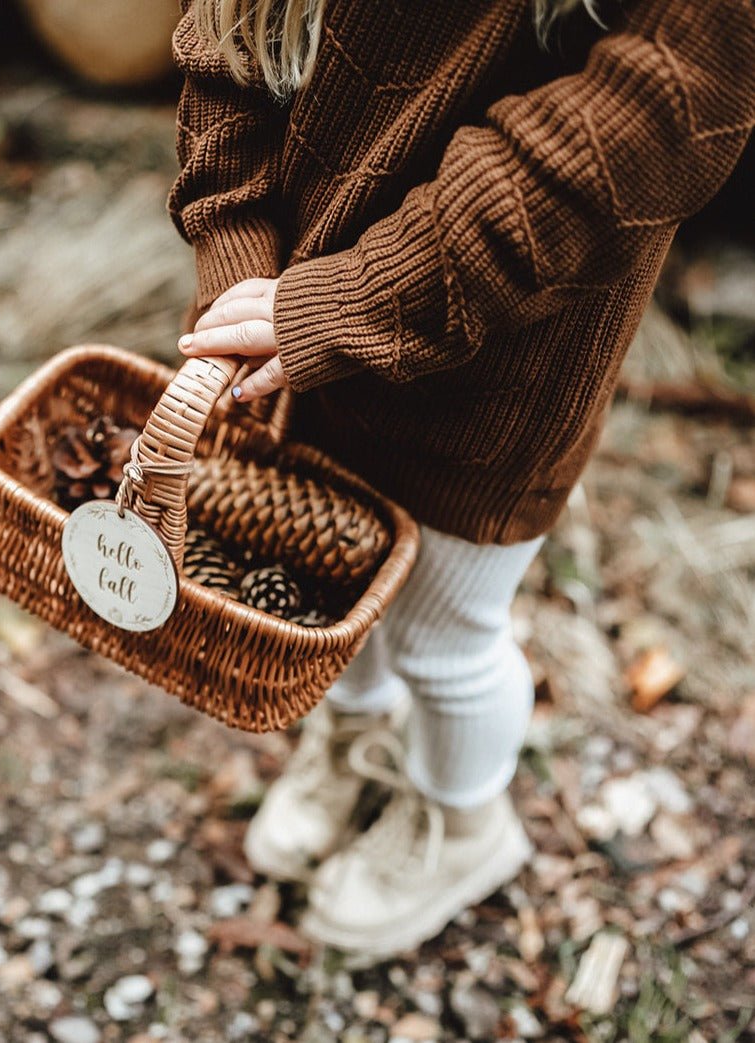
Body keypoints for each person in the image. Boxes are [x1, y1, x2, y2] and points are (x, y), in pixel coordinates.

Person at [165, 0, 755, 961]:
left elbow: (611, 150)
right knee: (329, 572)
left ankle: (461, 824)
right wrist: (236, 240)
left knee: (444, 636)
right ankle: (356, 737)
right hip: (296, 313)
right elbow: (227, 38)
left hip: (503, 365)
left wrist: (353, 299)